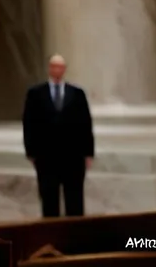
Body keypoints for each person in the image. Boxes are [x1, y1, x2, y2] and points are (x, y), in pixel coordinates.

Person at [23, 54, 94, 217]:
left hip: (73, 157)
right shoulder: (35, 94)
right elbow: (28, 123)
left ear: (64, 69)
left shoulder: (77, 94)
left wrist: (88, 153)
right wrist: (30, 151)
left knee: (75, 201)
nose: (56, 70)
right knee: (49, 202)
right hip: (46, 157)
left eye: (60, 66)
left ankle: (75, 237)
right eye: (53, 66)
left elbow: (86, 124)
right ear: (49, 68)